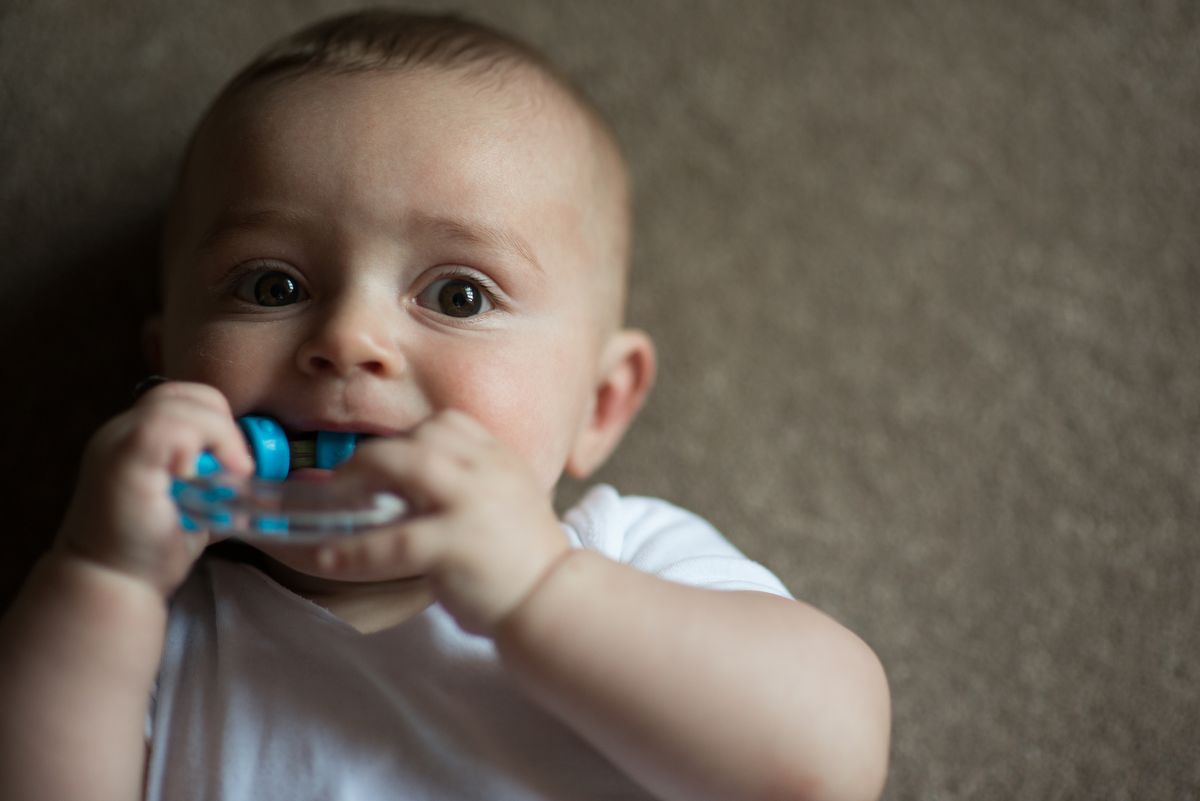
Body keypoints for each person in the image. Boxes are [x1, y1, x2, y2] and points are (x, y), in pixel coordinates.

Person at [0, 9, 890, 801]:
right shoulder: (155, 630)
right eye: (273, 284)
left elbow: (826, 760)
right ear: (165, 373)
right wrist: (99, 576)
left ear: (601, 403)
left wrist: (542, 589)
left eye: (458, 295)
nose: (349, 339)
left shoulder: (625, 559)